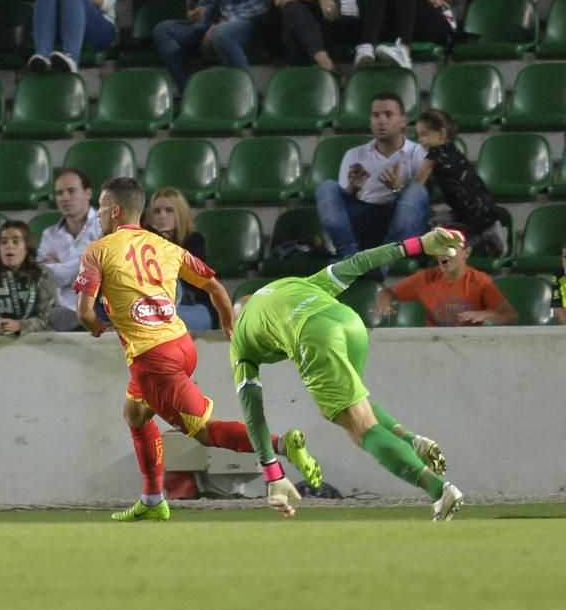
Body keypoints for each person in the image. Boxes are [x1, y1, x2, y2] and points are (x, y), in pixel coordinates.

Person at [74, 177, 322, 522]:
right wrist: (227, 323)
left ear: (114, 210)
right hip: (181, 344)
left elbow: (84, 313)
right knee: (136, 413)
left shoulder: (97, 250)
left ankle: (282, 444)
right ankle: (151, 498)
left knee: (206, 433)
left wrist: (96, 326)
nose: (97, 212)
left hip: (153, 359)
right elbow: (214, 286)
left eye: (99, 206)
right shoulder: (165, 246)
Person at [231, 228, 465, 520]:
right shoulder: (290, 284)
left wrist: (272, 474)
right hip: (349, 321)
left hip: (315, 335)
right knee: (354, 404)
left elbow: (253, 414)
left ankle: (438, 490)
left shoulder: (239, 337)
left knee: (359, 429)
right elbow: (358, 263)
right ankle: (411, 439)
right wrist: (419, 244)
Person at [315, 92, 429, 260]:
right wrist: (352, 189)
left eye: (388, 115)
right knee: (326, 187)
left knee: (416, 191)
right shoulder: (354, 155)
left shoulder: (419, 153)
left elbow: (420, 204)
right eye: (376, 115)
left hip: (397, 219)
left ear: (403, 120)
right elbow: (342, 206)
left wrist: (397, 188)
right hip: (364, 218)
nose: (381, 121)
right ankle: (349, 256)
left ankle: (385, 259)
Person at [152, 0, 274, 94]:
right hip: (219, 22)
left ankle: (246, 97)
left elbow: (262, 3)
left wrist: (224, 20)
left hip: (252, 23)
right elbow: (209, 0)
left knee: (221, 33)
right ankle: (192, 95)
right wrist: (199, 13)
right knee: (164, 30)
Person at [375, 227, 518, 326]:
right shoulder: (424, 278)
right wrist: (384, 306)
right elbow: (386, 293)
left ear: (466, 253)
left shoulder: (479, 281)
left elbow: (510, 315)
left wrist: (485, 315)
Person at [414, 109, 508, 258]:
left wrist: (397, 187)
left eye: (424, 134)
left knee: (433, 231)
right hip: (485, 206)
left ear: (442, 134)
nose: (420, 140)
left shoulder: (436, 153)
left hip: (469, 212)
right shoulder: (454, 151)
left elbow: (417, 185)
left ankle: (482, 238)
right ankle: (487, 232)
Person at [38, 168, 103, 331]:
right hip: (61, 314)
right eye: (59, 193)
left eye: (71, 191)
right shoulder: (49, 235)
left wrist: (56, 265)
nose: (65, 198)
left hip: (99, 310)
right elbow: (41, 277)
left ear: (88, 193)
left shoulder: (104, 228)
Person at [143, 187, 215, 330]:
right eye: (157, 211)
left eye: (169, 210)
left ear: (180, 213)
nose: (162, 216)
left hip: (194, 307)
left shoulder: (194, 240)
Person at [0, 221, 57, 337]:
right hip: (1, 340)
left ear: (27, 248)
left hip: (40, 340)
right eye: (3, 242)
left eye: (15, 241)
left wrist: (20, 325)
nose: (9, 246)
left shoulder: (43, 275)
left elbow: (45, 318)